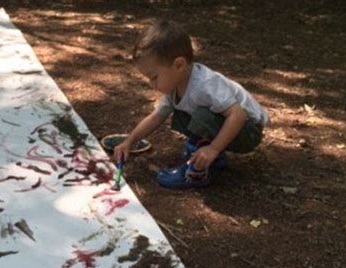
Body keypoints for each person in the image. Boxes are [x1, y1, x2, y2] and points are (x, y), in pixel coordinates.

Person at [113, 20, 269, 188]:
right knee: (181, 115)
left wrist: (214, 148)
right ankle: (212, 161)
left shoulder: (205, 85)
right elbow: (156, 116)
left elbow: (238, 115)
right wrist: (129, 141)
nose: (152, 84)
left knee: (202, 117)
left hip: (248, 130)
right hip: (231, 125)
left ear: (179, 65)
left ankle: (195, 172)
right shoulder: (176, 86)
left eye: (154, 77)